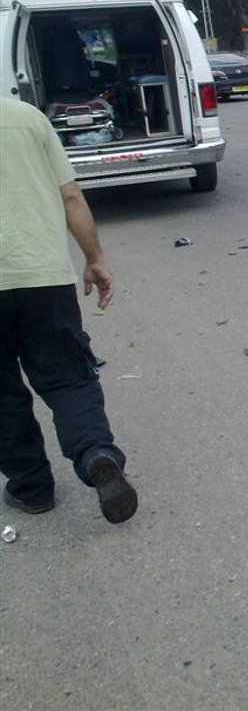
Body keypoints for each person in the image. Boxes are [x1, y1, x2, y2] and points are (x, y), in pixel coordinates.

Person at [0, 94, 137, 524]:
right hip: (43, 277)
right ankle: (95, 451)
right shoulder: (27, 119)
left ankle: (32, 488)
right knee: (68, 379)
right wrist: (94, 258)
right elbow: (71, 197)